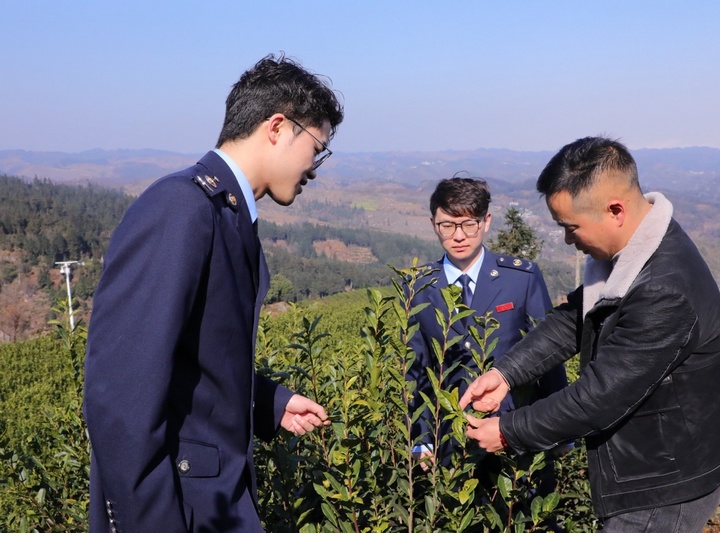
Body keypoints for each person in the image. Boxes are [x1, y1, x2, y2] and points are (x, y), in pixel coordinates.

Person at [83, 54, 344, 532]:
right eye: (317, 148)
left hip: (214, 503)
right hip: (181, 509)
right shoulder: (182, 207)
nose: (315, 167)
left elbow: (194, 361)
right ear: (278, 127)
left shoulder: (226, 212)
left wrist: (270, 402)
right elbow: (119, 394)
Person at [459, 137, 720, 531]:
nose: (568, 240)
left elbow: (598, 396)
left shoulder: (664, 289)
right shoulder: (632, 253)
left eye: (571, 227)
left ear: (615, 210)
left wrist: (509, 431)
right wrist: (505, 374)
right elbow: (573, 319)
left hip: (665, 483)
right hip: (654, 459)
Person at [406, 176, 568, 491]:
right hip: (449, 437)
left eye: (469, 224)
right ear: (433, 224)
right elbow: (416, 368)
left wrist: (560, 432)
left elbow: (549, 354)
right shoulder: (419, 286)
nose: (459, 236)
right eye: (447, 226)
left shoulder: (521, 278)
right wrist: (421, 439)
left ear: (487, 221)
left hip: (514, 431)